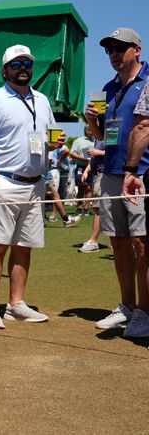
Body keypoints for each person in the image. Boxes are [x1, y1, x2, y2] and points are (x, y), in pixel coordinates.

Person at [0, 44, 63, 329]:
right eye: (16, 64)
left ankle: (16, 304)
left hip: (35, 184)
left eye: (27, 63)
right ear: (4, 70)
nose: (23, 68)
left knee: (25, 247)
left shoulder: (42, 100)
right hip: (5, 181)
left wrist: (53, 145)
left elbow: (48, 136)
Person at [91, 27, 149, 338]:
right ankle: (128, 306)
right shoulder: (109, 88)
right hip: (111, 171)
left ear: (137, 50)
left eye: (120, 48)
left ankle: (145, 311)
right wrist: (91, 122)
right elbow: (104, 135)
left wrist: (134, 169)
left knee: (143, 245)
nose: (114, 53)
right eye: (109, 49)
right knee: (119, 243)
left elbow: (144, 128)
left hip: (140, 174)